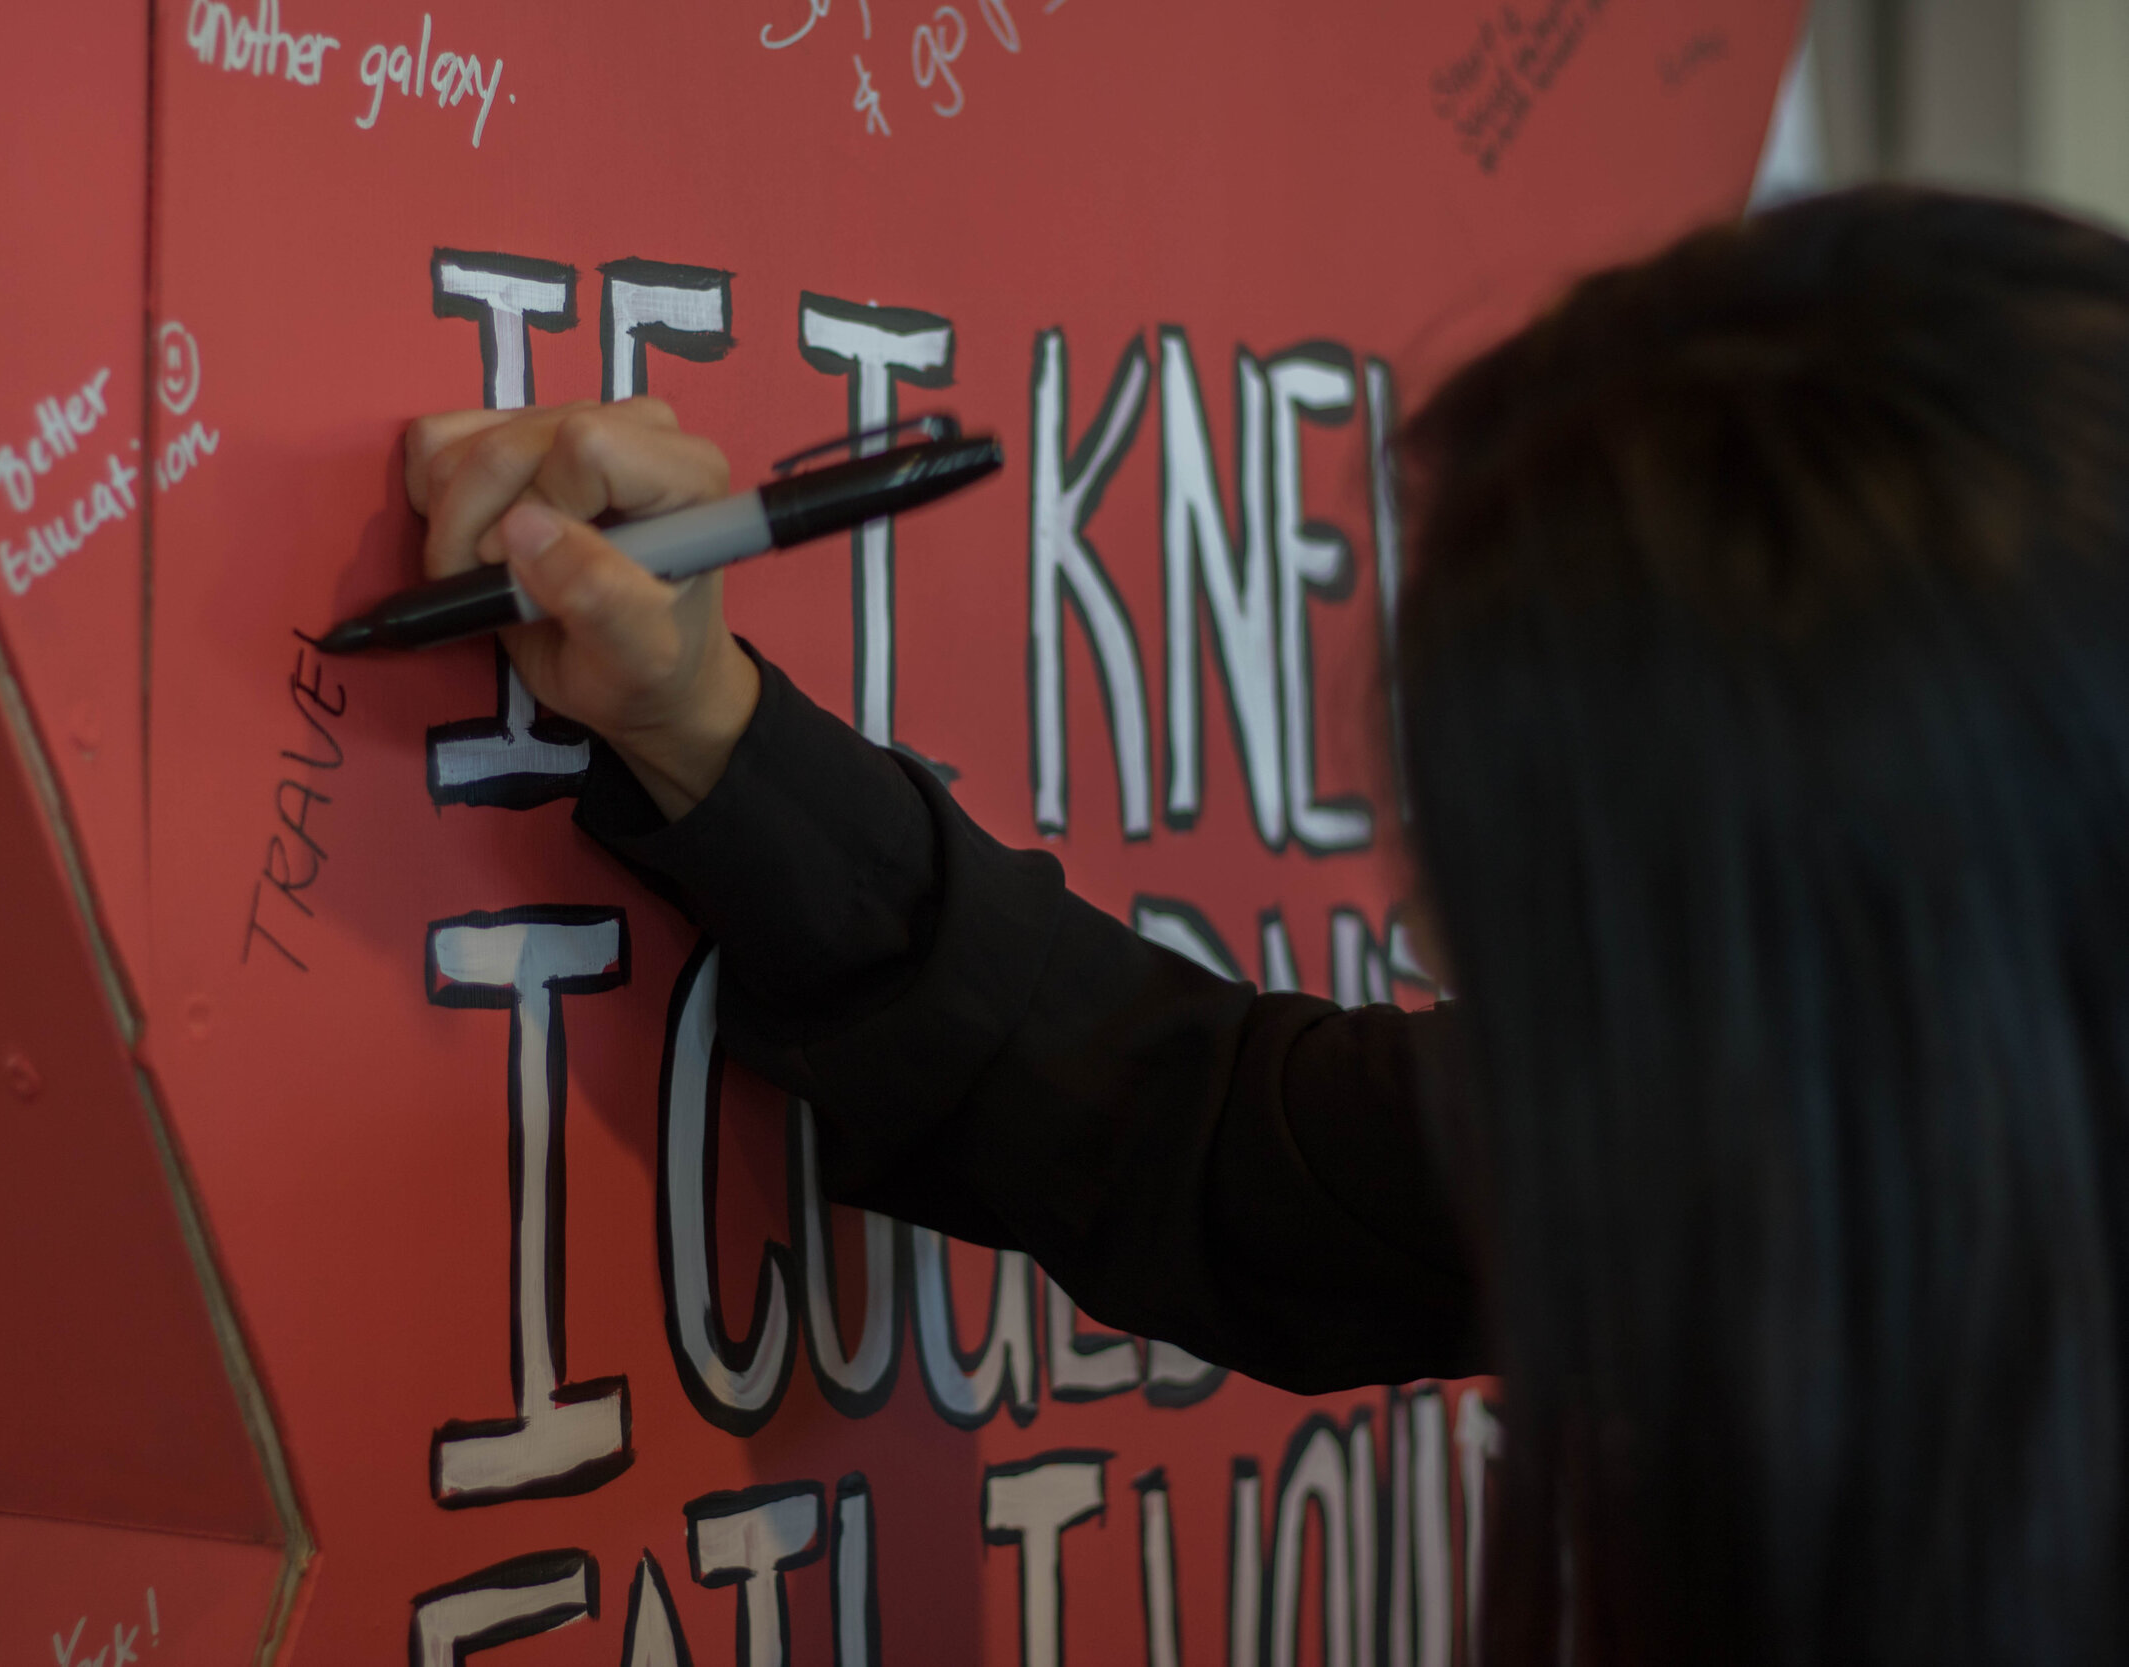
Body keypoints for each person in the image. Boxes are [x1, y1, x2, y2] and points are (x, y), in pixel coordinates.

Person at [400, 188, 2129, 1666]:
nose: (1445, 950)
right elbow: (1195, 1129)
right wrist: (701, 716)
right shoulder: (1788, 1126)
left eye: (1553, 918)